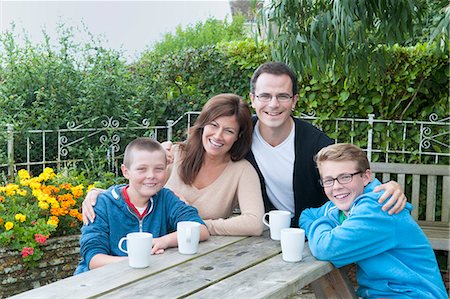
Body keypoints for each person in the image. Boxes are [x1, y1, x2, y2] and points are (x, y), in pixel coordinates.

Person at [246, 62, 407, 226]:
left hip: (319, 230)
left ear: (294, 101)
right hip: (267, 233)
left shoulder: (317, 143)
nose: (273, 104)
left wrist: (389, 187)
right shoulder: (241, 136)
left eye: (282, 96)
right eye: (265, 96)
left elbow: (350, 176)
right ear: (253, 99)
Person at [82, 94, 265, 236]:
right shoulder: (175, 154)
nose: (218, 136)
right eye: (213, 125)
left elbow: (254, 223)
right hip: (149, 247)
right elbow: (140, 185)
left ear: (238, 136)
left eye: (229, 131)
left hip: (199, 252)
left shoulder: (242, 170)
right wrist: (102, 195)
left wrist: (196, 226)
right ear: (202, 125)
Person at [299, 143, 447, 298]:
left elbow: (325, 249)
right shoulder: (340, 207)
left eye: (345, 177)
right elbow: (308, 215)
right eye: (328, 180)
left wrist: (325, 226)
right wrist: (327, 223)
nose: (336, 187)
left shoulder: (378, 207)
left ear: (366, 177)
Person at [74, 137, 209, 274]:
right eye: (142, 169)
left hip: (145, 280)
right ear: (126, 171)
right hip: (99, 283)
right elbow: (93, 258)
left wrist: (164, 241)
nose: (151, 175)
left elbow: (201, 230)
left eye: (159, 169)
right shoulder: (102, 204)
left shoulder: (166, 199)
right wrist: (136, 261)